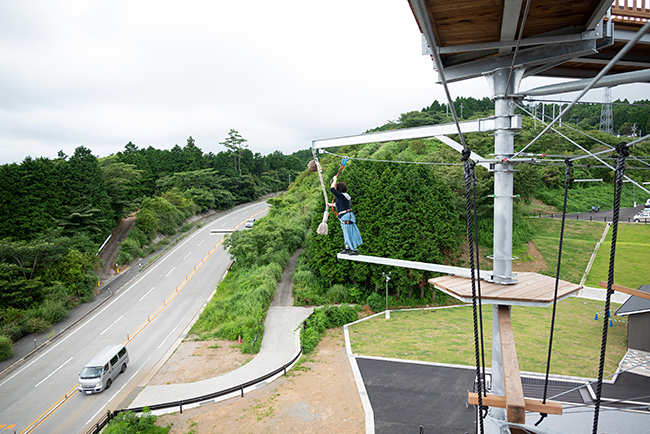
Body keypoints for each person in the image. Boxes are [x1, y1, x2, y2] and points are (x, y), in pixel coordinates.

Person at [330, 176, 362, 255]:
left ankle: (355, 250)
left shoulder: (341, 195)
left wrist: (335, 180)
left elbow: (332, 189)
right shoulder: (344, 196)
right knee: (346, 232)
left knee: (349, 232)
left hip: (346, 216)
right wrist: (330, 204)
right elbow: (340, 205)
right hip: (346, 215)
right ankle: (347, 248)